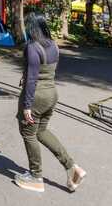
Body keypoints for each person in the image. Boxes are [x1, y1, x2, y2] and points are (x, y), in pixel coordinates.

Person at [15, 13, 86, 193]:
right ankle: (71, 167)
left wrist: (27, 106)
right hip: (51, 94)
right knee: (41, 131)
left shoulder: (32, 47)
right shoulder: (54, 45)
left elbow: (31, 79)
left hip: (36, 97)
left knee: (29, 134)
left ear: (30, 28)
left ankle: (35, 176)